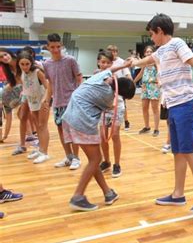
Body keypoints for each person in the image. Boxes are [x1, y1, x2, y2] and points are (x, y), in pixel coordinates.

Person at [130, 13, 193, 212]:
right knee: (178, 153)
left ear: (160, 31)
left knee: (188, 151)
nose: (151, 38)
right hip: (173, 106)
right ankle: (178, 194)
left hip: (185, 104)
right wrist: (129, 63)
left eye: (152, 34)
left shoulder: (177, 44)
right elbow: (148, 59)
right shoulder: (162, 51)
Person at [63, 62, 135, 211]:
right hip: (82, 122)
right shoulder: (108, 97)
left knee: (93, 160)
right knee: (96, 160)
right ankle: (78, 196)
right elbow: (110, 108)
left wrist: (123, 66)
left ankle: (108, 193)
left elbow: (110, 69)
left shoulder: (100, 76)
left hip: (69, 117)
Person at [43, 33, 83, 170]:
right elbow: (50, 83)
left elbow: (79, 78)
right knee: (61, 131)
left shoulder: (70, 60)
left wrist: (78, 96)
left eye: (58, 46)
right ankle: (69, 156)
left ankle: (77, 158)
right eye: (52, 47)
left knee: (73, 131)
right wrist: (47, 100)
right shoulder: (46, 64)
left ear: (62, 46)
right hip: (57, 103)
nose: (56, 50)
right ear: (48, 47)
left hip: (71, 102)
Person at [95, 51, 127, 178]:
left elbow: (118, 93)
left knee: (114, 135)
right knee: (103, 136)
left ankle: (117, 164)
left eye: (108, 63)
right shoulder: (96, 75)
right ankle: (106, 161)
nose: (105, 65)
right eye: (103, 62)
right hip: (103, 108)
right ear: (98, 62)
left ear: (112, 64)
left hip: (116, 107)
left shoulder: (115, 76)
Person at [17, 51, 51, 164]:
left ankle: (45, 153)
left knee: (43, 126)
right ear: (19, 64)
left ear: (31, 63)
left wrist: (45, 100)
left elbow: (48, 87)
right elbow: (25, 87)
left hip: (42, 102)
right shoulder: (22, 73)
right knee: (37, 126)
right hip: (32, 102)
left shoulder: (37, 72)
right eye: (22, 64)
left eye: (27, 64)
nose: (25, 66)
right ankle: (40, 149)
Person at [133, 45, 161, 136]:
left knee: (155, 108)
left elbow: (160, 73)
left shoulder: (157, 63)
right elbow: (141, 74)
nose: (149, 53)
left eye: (150, 51)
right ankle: (147, 127)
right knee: (144, 107)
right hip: (145, 86)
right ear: (144, 53)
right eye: (147, 51)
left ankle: (156, 129)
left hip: (154, 85)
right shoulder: (144, 64)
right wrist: (133, 82)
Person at [106, 45, 133, 131]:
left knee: (122, 106)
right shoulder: (107, 62)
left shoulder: (121, 61)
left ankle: (126, 121)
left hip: (120, 88)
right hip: (109, 87)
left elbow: (127, 73)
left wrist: (131, 83)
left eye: (114, 51)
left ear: (117, 52)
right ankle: (110, 120)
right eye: (111, 51)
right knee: (110, 105)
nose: (113, 53)